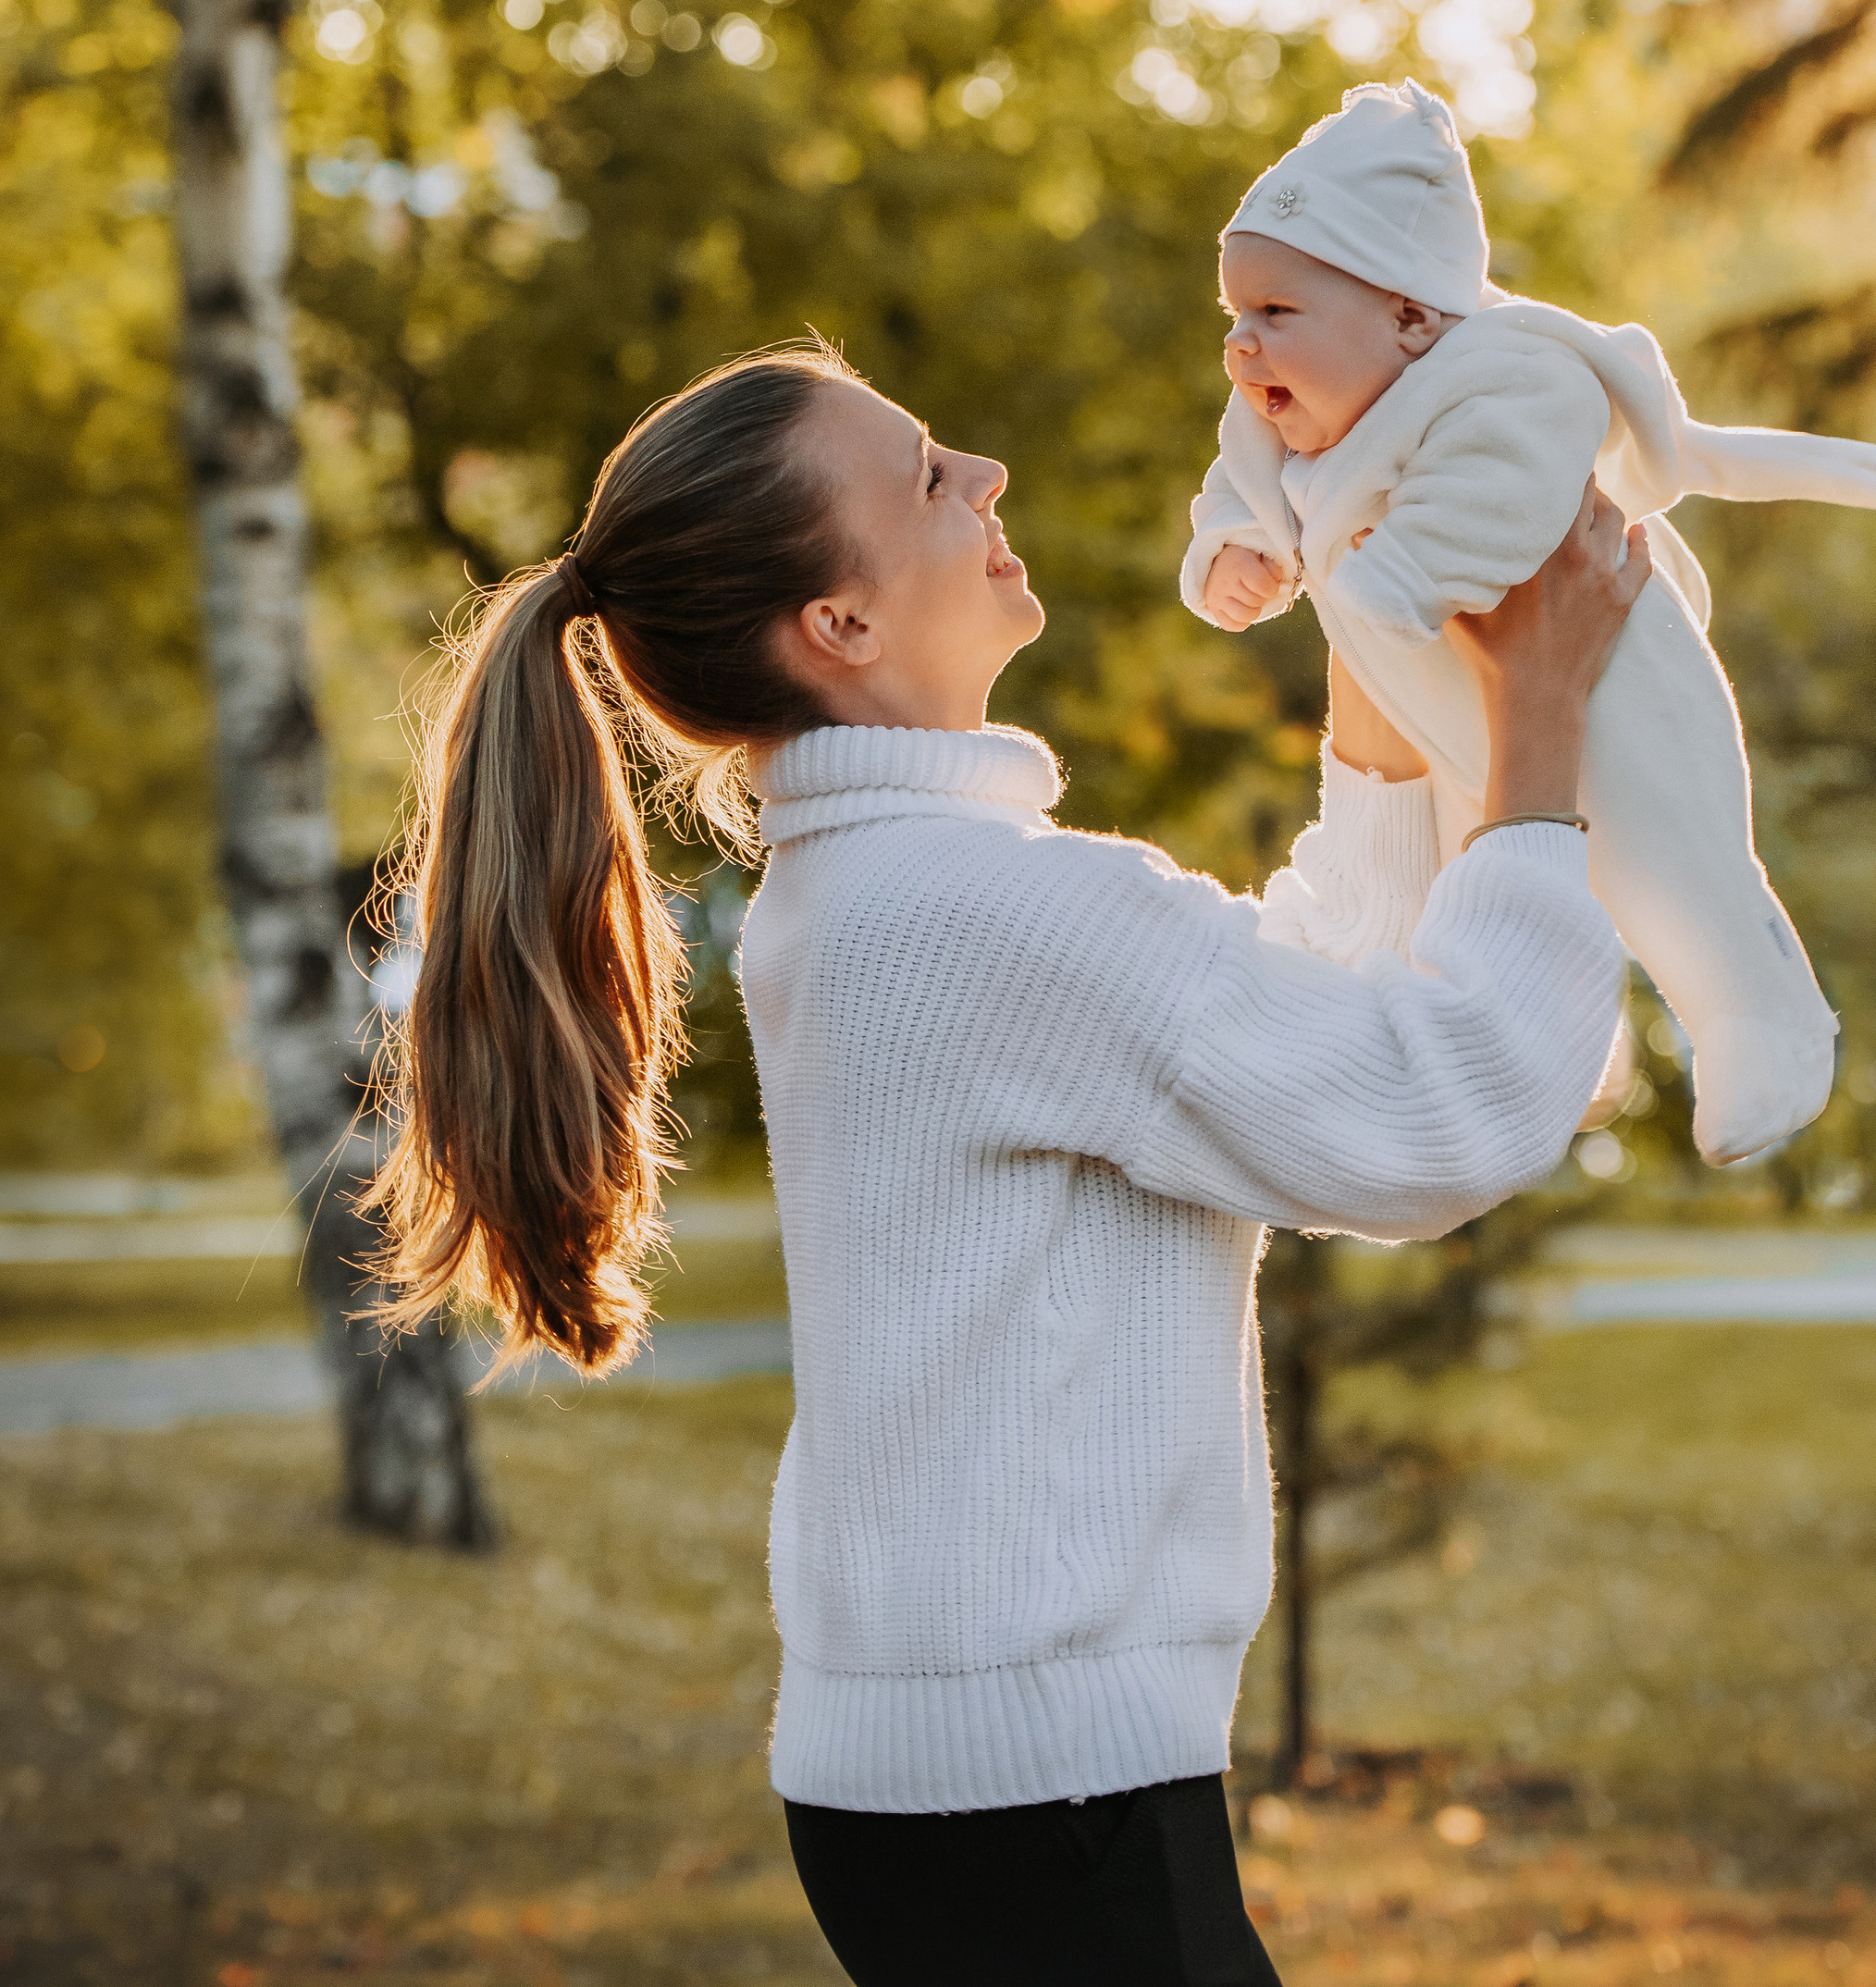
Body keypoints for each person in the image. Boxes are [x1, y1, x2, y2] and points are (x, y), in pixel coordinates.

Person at [374, 338, 1646, 1987]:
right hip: (1051, 1813)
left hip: (955, 1799)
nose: (983, 476)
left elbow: (1281, 1035)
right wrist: (1538, 739)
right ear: (839, 623)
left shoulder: (874, 891)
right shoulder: (984, 909)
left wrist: (1375, 698)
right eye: (925, 474)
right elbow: (1437, 1108)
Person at [1186, 80, 1876, 1164]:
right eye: (1234, 317)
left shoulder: (1507, 372)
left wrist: (1393, 577)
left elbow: (1497, 492)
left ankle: (1761, 1024)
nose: (1242, 346)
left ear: (1409, 316)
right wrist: (1236, 549)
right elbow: (1238, 484)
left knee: (1662, 860)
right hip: (1440, 707)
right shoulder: (1280, 417)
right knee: (1485, 878)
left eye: (1275, 314)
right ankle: (1564, 1044)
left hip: (1603, 683)